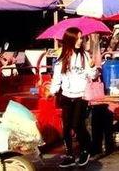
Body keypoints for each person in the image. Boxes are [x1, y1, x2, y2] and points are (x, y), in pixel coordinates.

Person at [50, 27, 97, 168]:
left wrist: (93, 67)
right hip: (66, 96)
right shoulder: (62, 57)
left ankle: (85, 150)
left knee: (77, 125)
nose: (80, 40)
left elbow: (93, 76)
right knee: (66, 128)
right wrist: (53, 90)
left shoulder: (85, 56)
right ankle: (70, 155)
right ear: (71, 39)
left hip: (80, 96)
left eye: (81, 38)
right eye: (78, 38)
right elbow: (57, 77)